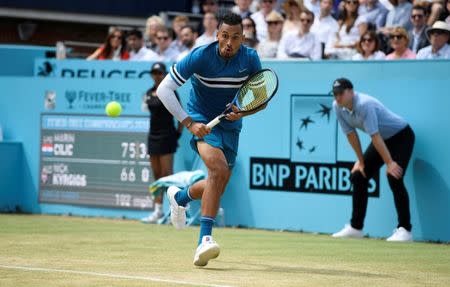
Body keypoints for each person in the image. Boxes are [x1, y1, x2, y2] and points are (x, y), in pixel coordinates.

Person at [156, 13, 263, 266]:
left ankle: (180, 198)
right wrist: (190, 123)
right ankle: (204, 241)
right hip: (201, 119)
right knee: (217, 169)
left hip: (231, 125)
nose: (229, 42)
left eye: (235, 38)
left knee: (218, 183)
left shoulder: (250, 59)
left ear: (242, 39)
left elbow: (260, 99)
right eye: (224, 36)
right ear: (217, 35)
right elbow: (164, 89)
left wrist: (243, 112)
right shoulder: (201, 56)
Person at [331, 78, 415, 242]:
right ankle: (356, 227)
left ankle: (405, 230)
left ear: (351, 92)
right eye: (335, 94)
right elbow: (351, 135)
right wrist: (361, 162)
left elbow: (374, 136)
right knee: (358, 175)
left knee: (394, 176)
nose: (337, 97)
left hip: (401, 137)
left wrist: (390, 163)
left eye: (340, 93)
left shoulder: (365, 104)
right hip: (382, 139)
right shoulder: (337, 107)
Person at [141, 62, 182, 223]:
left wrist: (177, 134)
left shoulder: (170, 91)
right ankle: (157, 211)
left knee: (167, 175)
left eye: (159, 73)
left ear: (164, 74)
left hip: (167, 136)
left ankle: (174, 212)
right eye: (154, 72)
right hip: (153, 136)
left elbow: (179, 114)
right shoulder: (149, 92)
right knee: (157, 176)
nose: (156, 75)